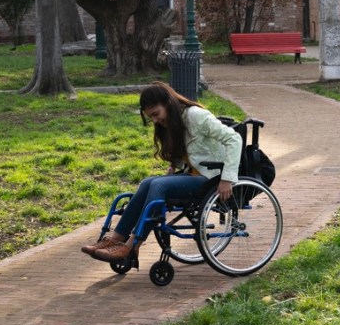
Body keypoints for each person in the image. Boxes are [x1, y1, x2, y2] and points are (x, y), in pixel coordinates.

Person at [83, 81, 242, 263]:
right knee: (147, 183)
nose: (156, 120)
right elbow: (185, 145)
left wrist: (227, 178)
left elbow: (234, 139)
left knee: (159, 185)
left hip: (211, 177)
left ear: (168, 103)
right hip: (192, 174)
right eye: (151, 117)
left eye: (156, 114)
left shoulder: (196, 116)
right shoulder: (173, 120)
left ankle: (132, 245)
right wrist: (173, 166)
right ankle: (116, 239)